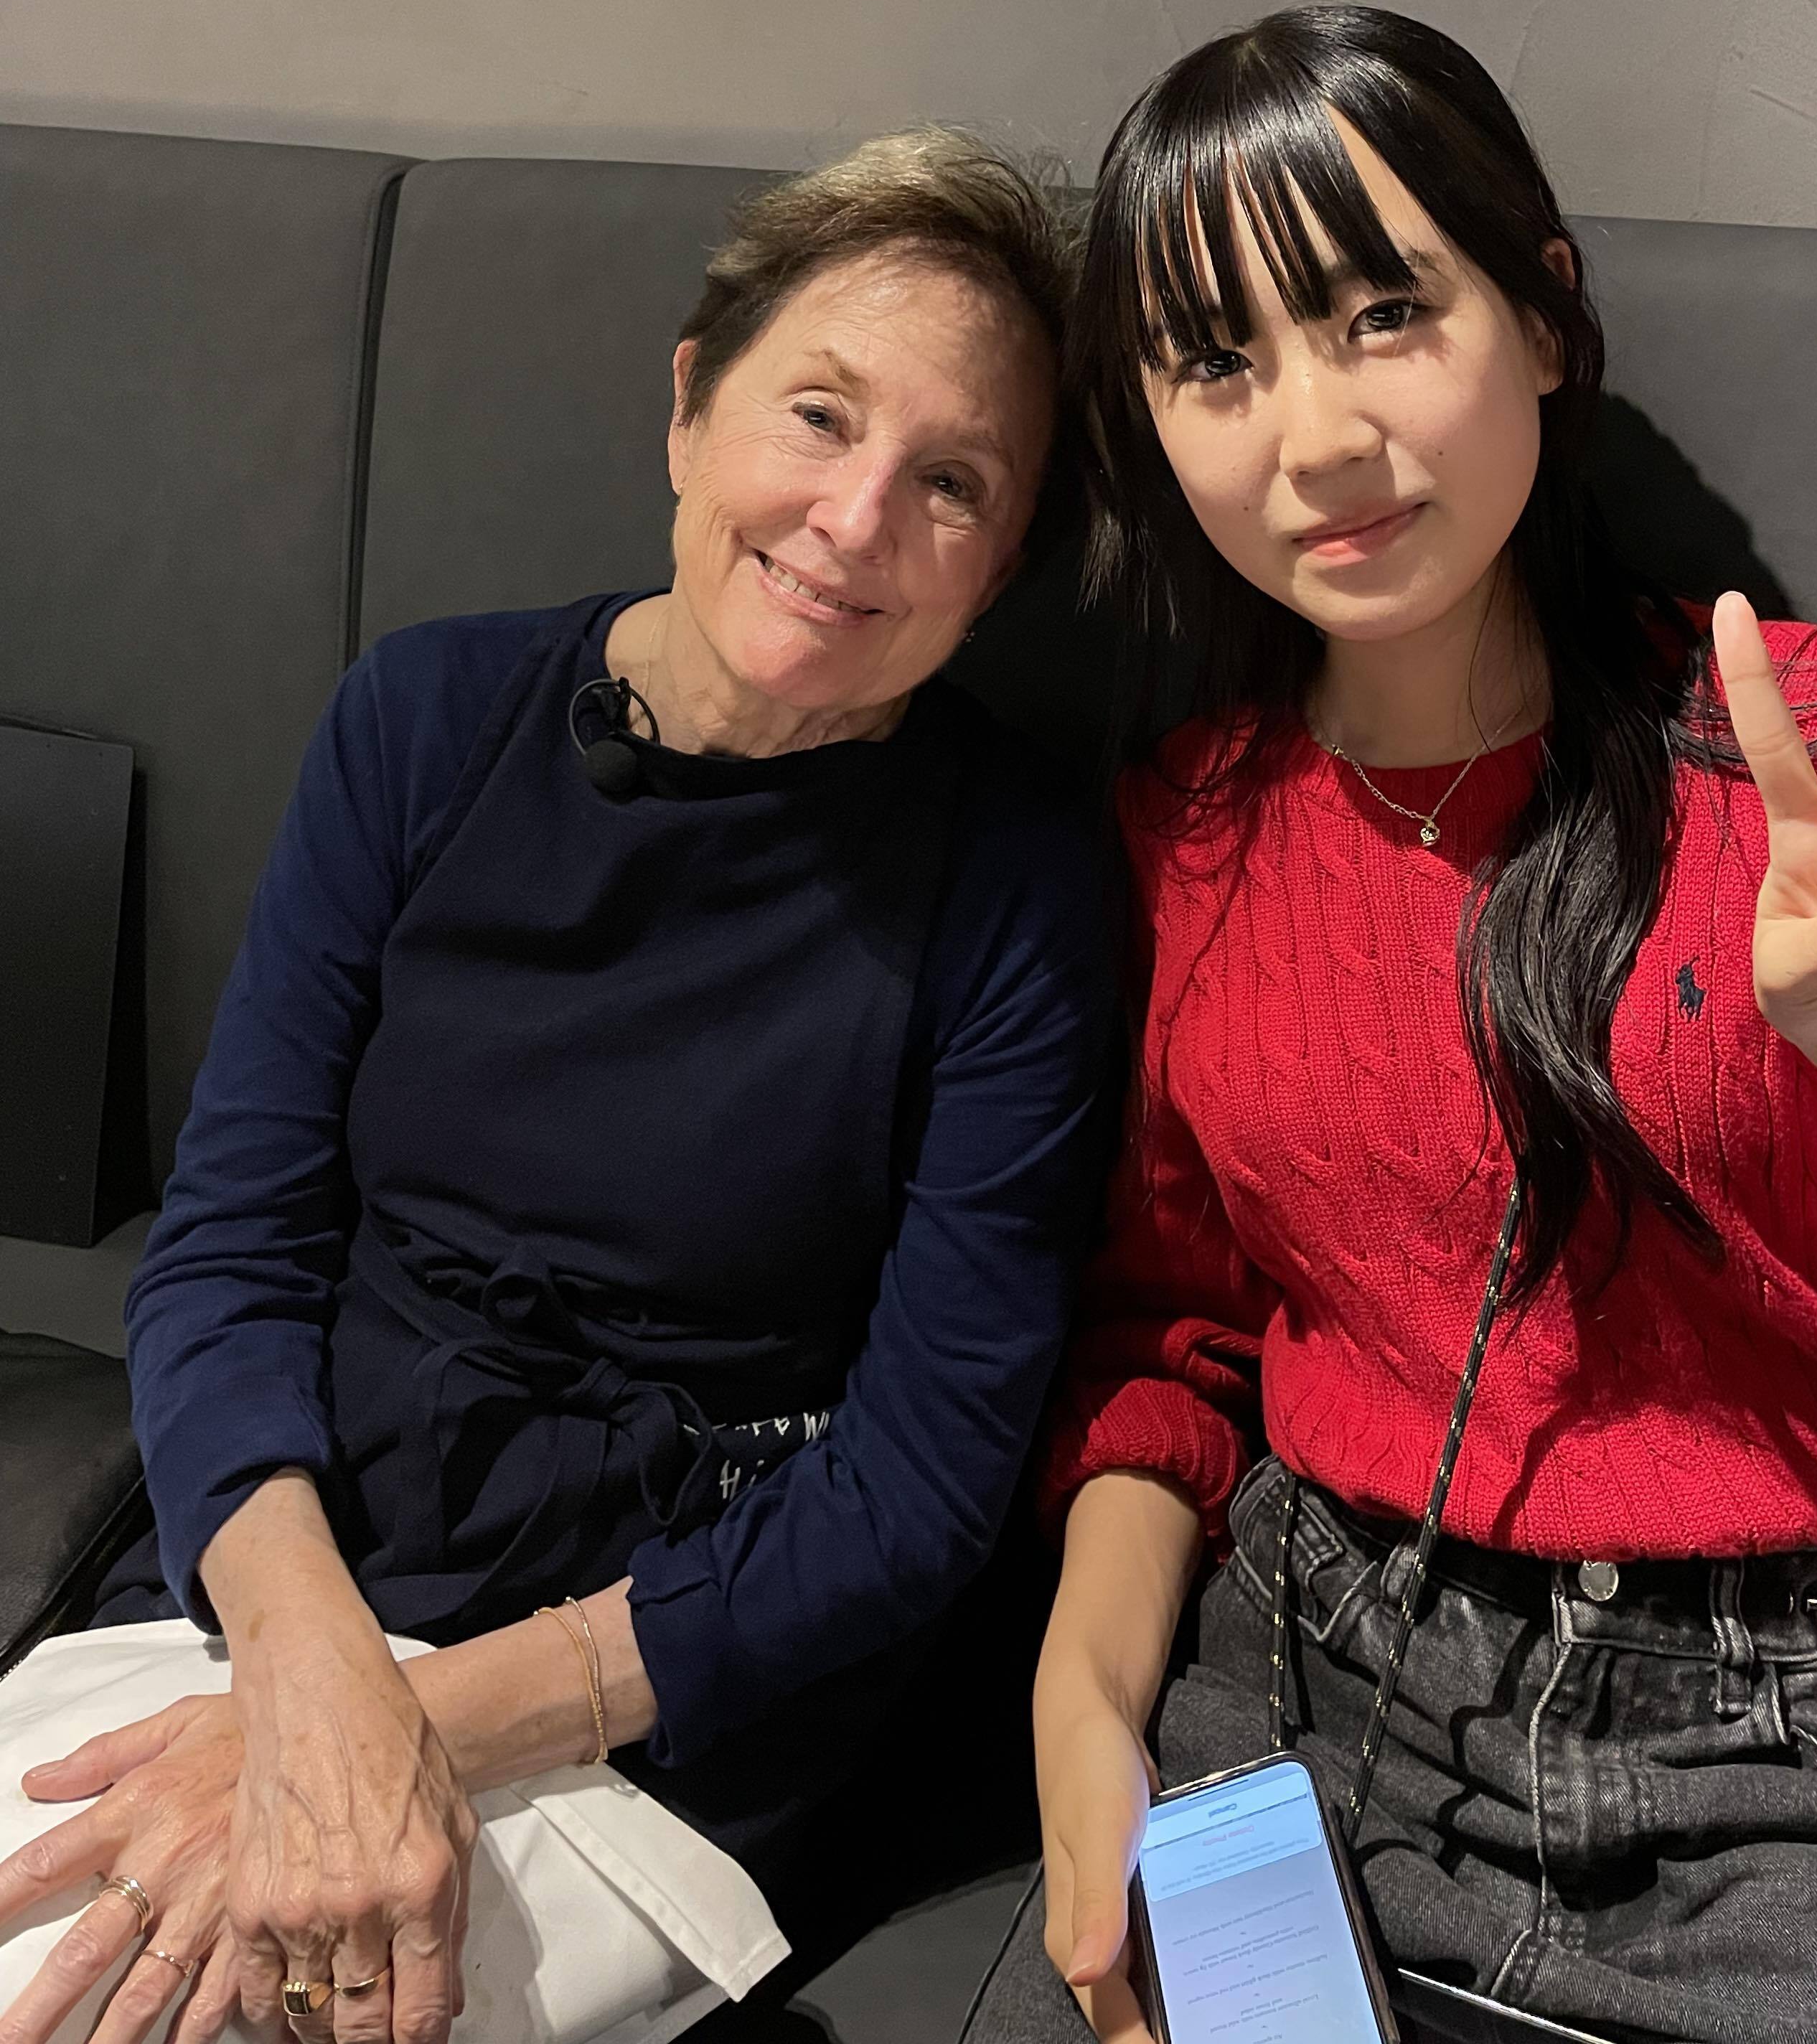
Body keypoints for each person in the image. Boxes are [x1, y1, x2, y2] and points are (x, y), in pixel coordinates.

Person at [967, 9, 1817, 2044]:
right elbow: (1170, 1345)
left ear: (1540, 318)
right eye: (1216, 363)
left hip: (1798, 1759)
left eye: (1382, 314)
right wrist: (1083, 1697)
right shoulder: (1189, 832)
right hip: (1305, 1670)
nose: (1313, 439)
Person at [0, 132, 1116, 2044]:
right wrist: (307, 1673)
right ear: (690, 407)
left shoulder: (1021, 885)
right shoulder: (421, 721)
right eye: (819, 416)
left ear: (1002, 565)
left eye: (953, 483)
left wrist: (396, 1731)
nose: (856, 519)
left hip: (665, 1680)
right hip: (301, 1567)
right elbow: (230, 1246)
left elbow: (915, 1492)